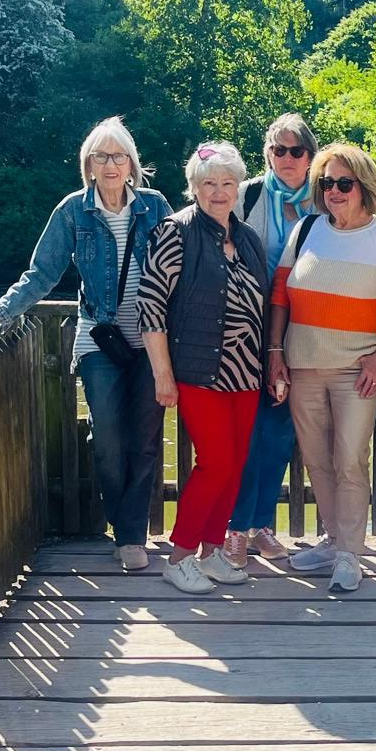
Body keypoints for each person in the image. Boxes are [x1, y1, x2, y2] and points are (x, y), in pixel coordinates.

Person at [0, 116, 172, 572]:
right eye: (102, 156)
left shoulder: (154, 207)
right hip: (99, 341)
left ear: (132, 164)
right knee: (109, 441)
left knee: (147, 439)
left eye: (118, 156)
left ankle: (132, 536)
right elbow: (41, 274)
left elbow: (176, 269)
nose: (111, 164)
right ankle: (121, 522)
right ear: (88, 165)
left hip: (152, 343)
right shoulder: (73, 211)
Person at [265, 143, 376, 594]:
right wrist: (275, 352)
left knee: (349, 459)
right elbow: (281, 297)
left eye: (344, 183)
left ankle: (349, 555)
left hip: (356, 371)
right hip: (303, 366)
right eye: (326, 183)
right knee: (317, 460)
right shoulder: (305, 230)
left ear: (364, 187)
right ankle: (334, 540)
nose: (334, 192)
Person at [138, 142, 270, 594]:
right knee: (214, 463)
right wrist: (162, 374)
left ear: (238, 188)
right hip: (198, 370)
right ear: (194, 187)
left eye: (227, 183)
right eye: (209, 183)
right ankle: (179, 557)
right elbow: (151, 305)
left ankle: (211, 552)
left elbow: (263, 305)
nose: (219, 192)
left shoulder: (248, 238)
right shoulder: (175, 231)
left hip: (246, 373)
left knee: (235, 466)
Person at [222, 114, 320, 567]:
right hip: (243, 334)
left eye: (295, 150)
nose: (286, 159)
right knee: (245, 434)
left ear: (310, 156)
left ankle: (261, 524)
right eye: (277, 150)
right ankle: (234, 529)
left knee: (278, 434)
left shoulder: (325, 202)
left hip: (300, 335)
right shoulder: (246, 197)